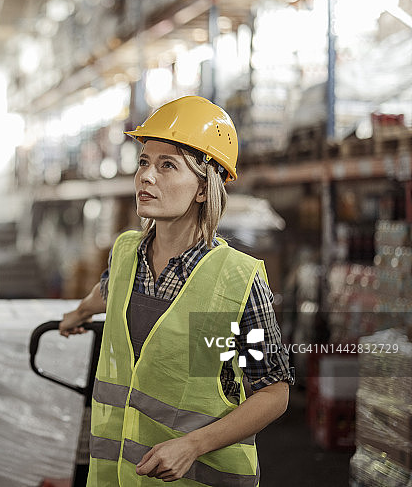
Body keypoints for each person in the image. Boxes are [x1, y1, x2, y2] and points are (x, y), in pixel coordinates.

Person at [59, 96, 294, 486]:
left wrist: (193, 445)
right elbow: (107, 291)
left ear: (203, 189)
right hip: (118, 477)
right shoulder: (126, 254)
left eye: (168, 166)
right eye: (144, 163)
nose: (147, 177)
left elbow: (273, 392)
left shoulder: (232, 281)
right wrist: (79, 313)